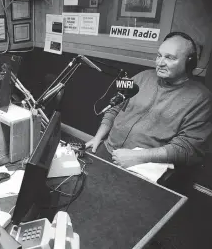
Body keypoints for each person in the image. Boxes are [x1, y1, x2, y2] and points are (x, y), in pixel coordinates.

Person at [86, 32, 212, 169]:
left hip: (146, 165)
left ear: (189, 63)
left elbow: (188, 147)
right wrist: (98, 137)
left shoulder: (202, 98)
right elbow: (114, 107)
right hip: (107, 147)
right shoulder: (141, 76)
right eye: (159, 56)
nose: (160, 63)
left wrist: (138, 157)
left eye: (170, 58)